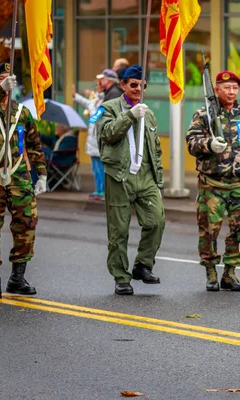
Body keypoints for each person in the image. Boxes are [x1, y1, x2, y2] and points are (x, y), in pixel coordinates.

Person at [96, 65, 165, 295]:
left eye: (141, 85)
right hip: (119, 176)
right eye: (133, 84)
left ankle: (143, 265)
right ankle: (120, 276)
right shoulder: (108, 108)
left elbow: (155, 149)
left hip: (145, 176)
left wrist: (159, 178)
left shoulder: (150, 112)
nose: (137, 88)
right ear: (123, 85)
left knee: (156, 221)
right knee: (119, 230)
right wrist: (128, 116)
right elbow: (106, 134)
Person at [186, 71, 240, 292]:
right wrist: (208, 144)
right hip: (212, 183)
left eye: (235, 88)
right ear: (216, 89)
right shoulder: (204, 114)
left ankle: (230, 272)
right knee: (209, 230)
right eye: (226, 88)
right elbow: (191, 143)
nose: (231, 92)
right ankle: (210, 271)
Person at [0, 62, 47, 299]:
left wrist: (42, 173)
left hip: (18, 176)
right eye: (2, 78)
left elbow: (34, 145)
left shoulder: (21, 112)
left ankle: (17, 277)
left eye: (10, 78)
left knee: (27, 223)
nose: (7, 82)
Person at [74, 80, 105, 199]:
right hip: (92, 140)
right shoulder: (96, 98)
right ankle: (98, 189)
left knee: (100, 168)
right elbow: (89, 104)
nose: (97, 87)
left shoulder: (105, 100)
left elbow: (96, 116)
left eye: (99, 85)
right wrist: (76, 96)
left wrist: (91, 116)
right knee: (95, 168)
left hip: (99, 140)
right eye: (96, 85)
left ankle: (102, 191)